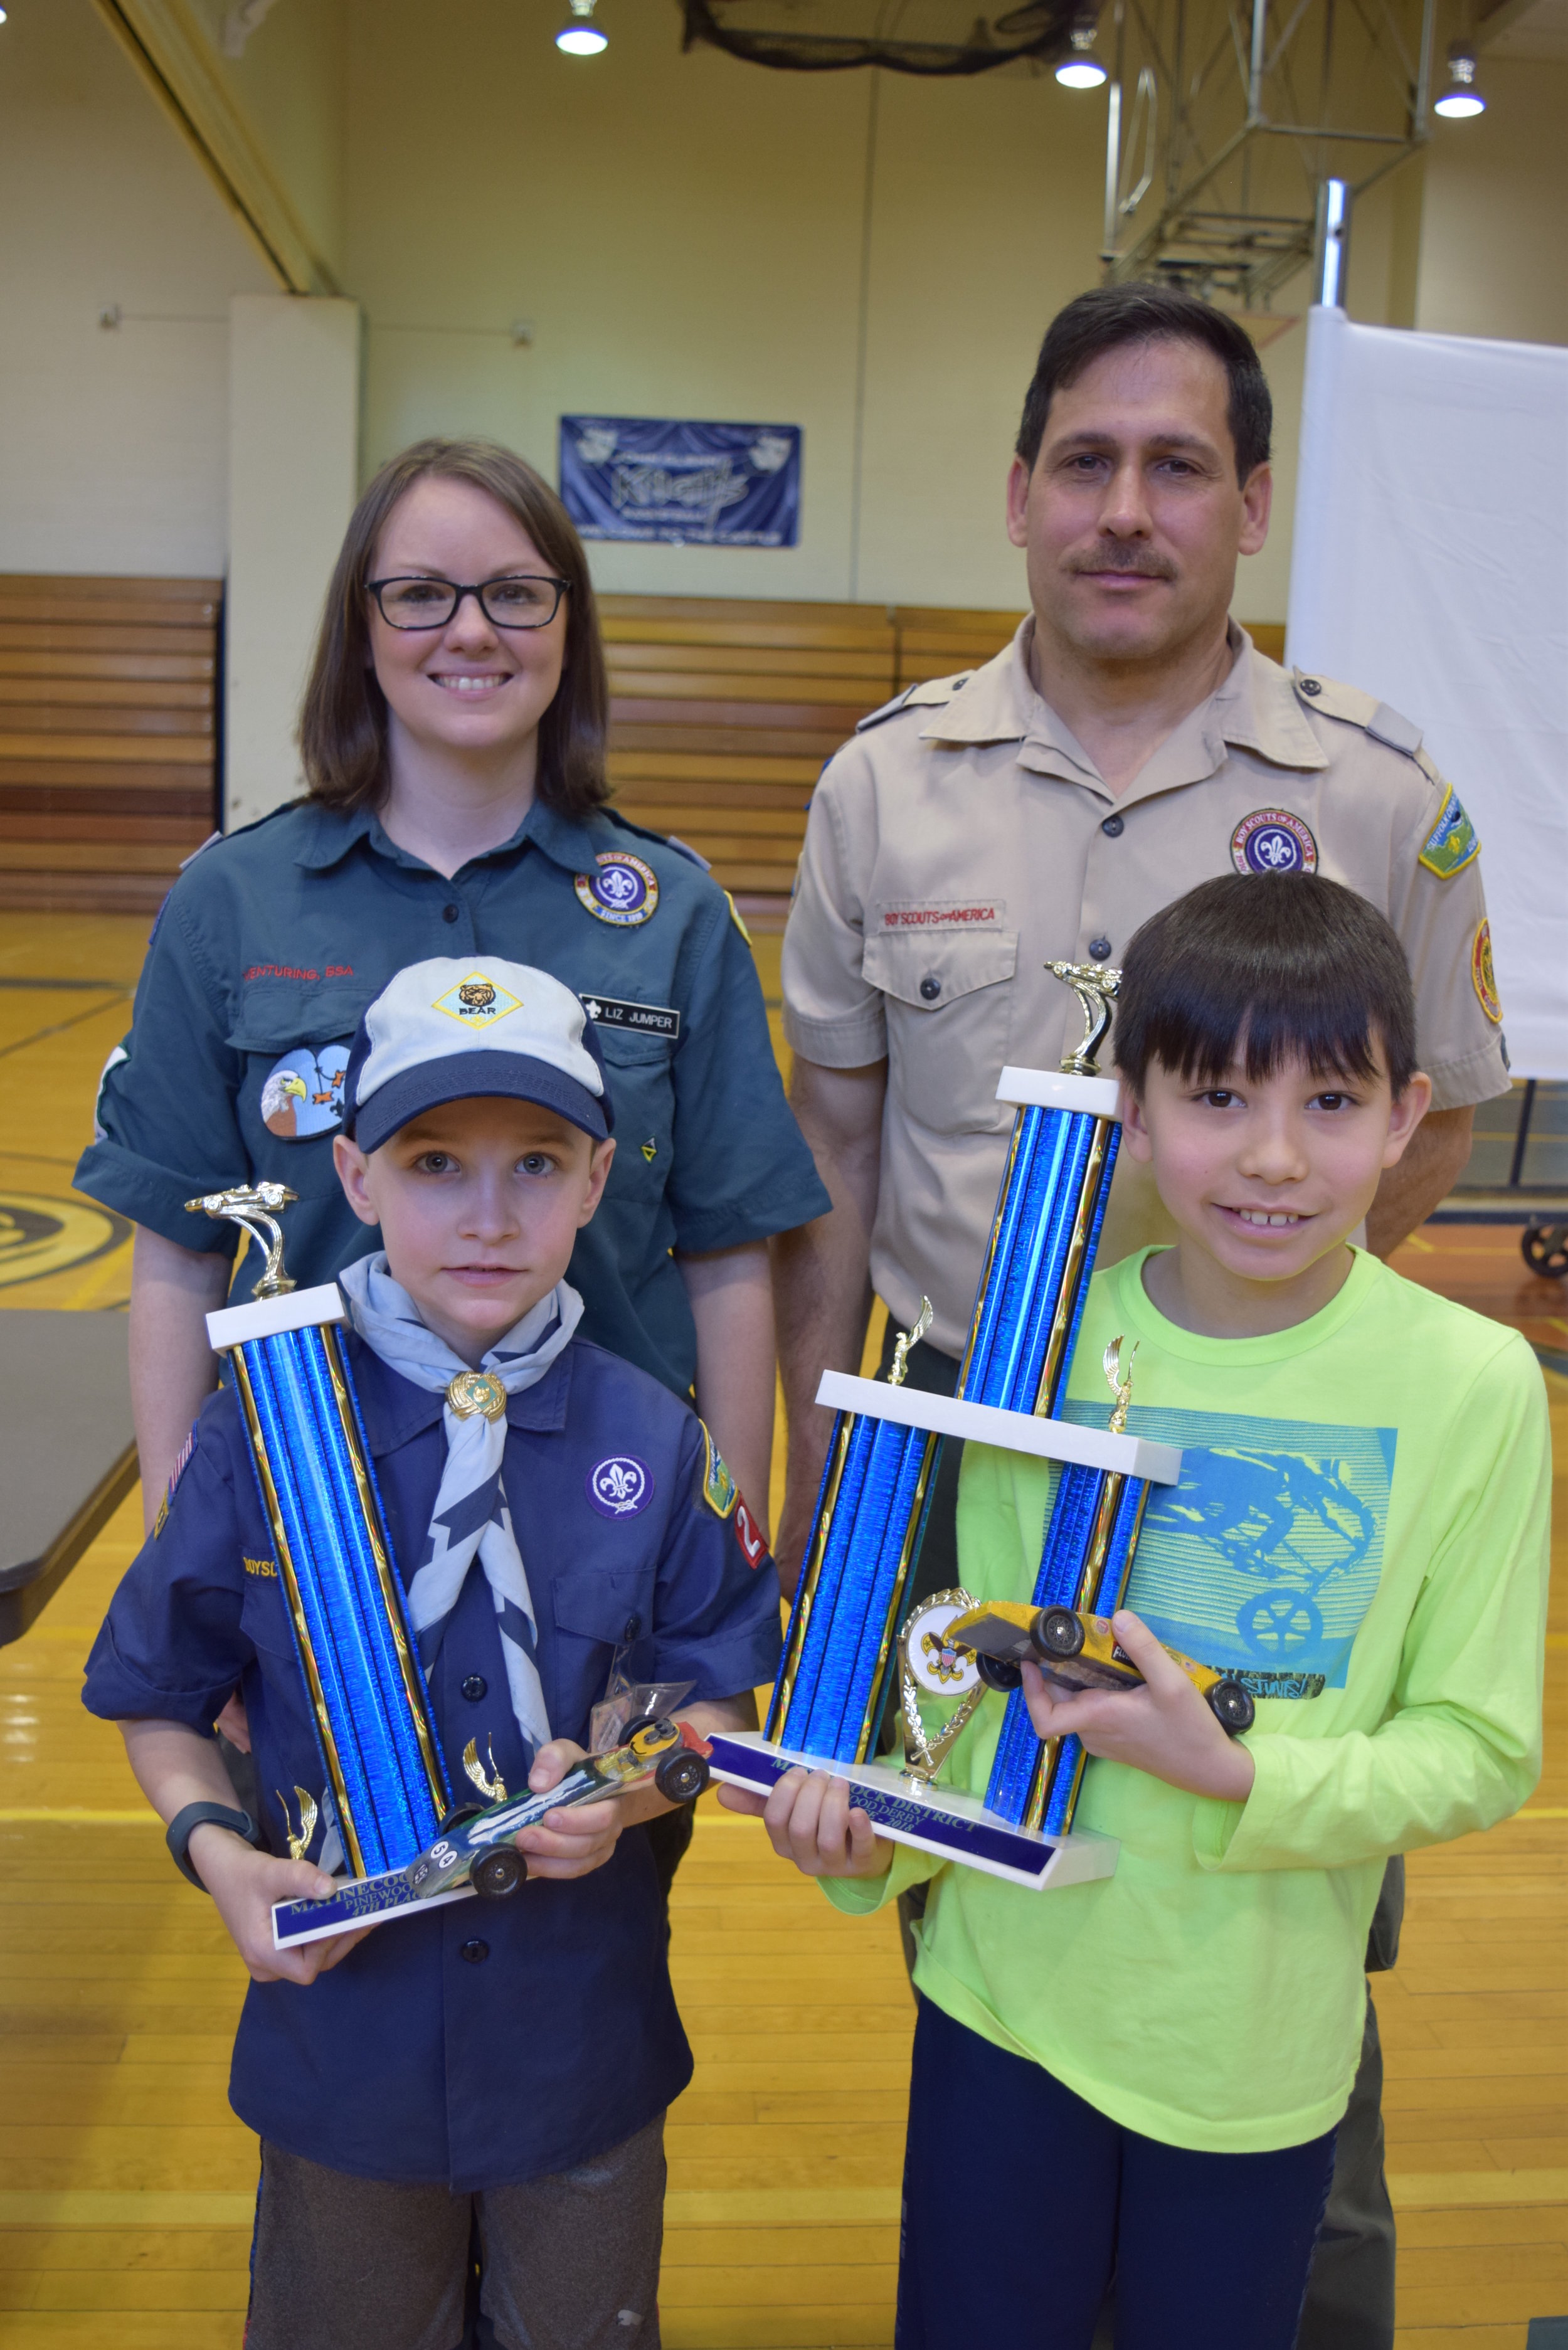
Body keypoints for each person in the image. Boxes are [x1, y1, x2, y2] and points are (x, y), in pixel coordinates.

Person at [771, 285, 1510, 2344]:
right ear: (1019, 489)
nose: (1126, 507)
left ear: (1251, 502)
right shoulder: (884, 783)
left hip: (1255, 1483)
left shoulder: (1373, 791)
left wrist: (1271, 1331)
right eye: (1084, 460)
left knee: (1272, 1917)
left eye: (1177, 463)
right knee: (979, 1916)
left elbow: (1423, 1123)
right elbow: (832, 1150)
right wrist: (822, 1470)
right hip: (956, 1467)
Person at [733, 874, 1549, 2350]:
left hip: (1252, 2048)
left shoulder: (1471, 1384)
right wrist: (854, 1838)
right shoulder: (1030, 1361)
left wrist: (1236, 1767)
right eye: (1219, 1094)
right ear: (1129, 1106)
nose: (1273, 1155)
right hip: (1005, 2006)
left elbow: (1480, 1745)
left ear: (1408, 1110)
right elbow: (957, 1683)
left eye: (1330, 1100)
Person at [82, 956, 785, 2350]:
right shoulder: (267, 1432)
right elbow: (156, 1693)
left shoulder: (652, 1436)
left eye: (533, 1163)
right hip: (343, 2047)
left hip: (575, 2043)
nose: (484, 1213)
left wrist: (631, 1789)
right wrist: (217, 1855)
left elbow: (716, 1695)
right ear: (353, 1175)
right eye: (431, 1162)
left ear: (596, 1181)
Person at [77, 436, 827, 1542]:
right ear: (361, 626)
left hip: (611, 1530)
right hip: (314, 1532)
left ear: (568, 627)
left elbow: (726, 1260)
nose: (471, 631)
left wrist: (724, 1569)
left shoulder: (673, 914)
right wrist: (178, 1571)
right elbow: (179, 1262)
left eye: (516, 594)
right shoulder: (228, 906)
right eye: (422, 593)